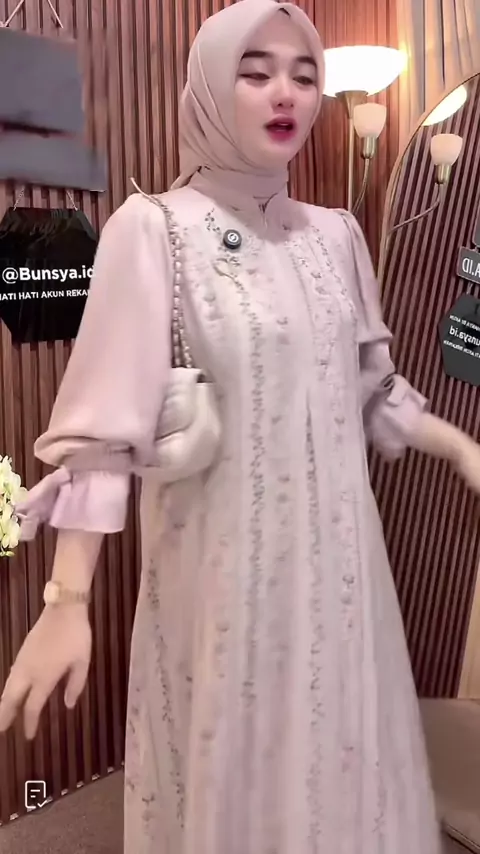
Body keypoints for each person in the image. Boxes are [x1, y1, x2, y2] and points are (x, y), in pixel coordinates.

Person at [1, 2, 480, 851]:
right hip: (225, 575)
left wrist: (464, 450)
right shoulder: (155, 230)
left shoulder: (337, 236)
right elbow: (104, 436)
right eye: (255, 73)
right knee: (242, 768)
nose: (284, 93)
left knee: (344, 757)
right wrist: (65, 602)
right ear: (210, 87)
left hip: (344, 570)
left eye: (304, 75)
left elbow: (374, 391)